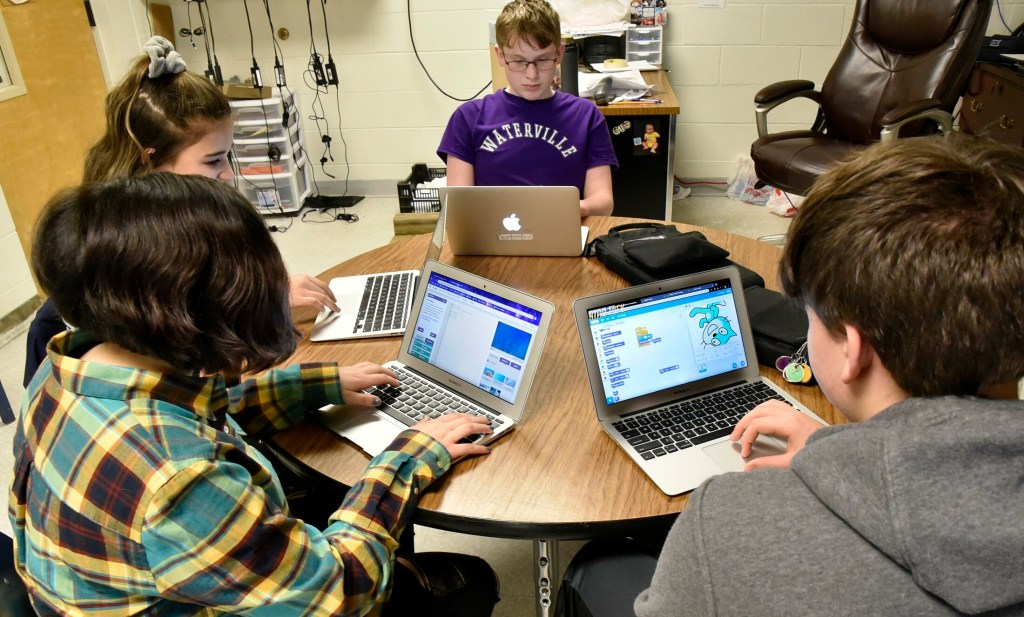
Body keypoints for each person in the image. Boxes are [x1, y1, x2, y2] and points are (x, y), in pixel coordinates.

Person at [557, 135, 1024, 616]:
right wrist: (836, 455)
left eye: (810, 316)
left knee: (600, 564)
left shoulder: (729, 521)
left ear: (854, 350)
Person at [12, 172, 501, 616]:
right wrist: (407, 458)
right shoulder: (179, 480)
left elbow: (189, 409)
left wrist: (310, 385)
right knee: (470, 581)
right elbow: (336, 593)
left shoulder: (69, 366)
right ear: (193, 312)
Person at [22, 36, 337, 387]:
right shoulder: (127, 259)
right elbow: (185, 353)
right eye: (213, 160)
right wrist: (259, 306)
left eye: (228, 156)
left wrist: (256, 293)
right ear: (152, 160)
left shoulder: (165, 229)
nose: (228, 174)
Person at [437, 0, 618, 217]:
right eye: (519, 61)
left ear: (559, 53)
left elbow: (603, 200)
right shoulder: (468, 118)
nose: (531, 75)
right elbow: (459, 205)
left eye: (542, 60)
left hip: (563, 228)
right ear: (500, 56)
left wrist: (575, 209)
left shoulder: (586, 116)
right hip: (493, 240)